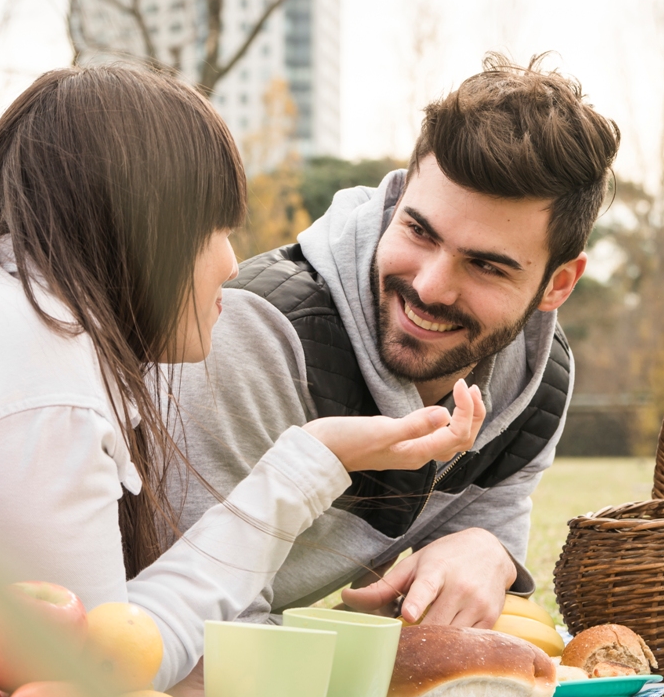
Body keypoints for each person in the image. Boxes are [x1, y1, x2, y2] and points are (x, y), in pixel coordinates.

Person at [0, 63, 485, 689]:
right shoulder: (40, 391)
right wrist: (302, 470)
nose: (230, 265)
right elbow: (96, 677)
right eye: (212, 232)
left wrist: (312, 458)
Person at [166, 54, 620, 644]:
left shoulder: (538, 379)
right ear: (398, 197)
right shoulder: (259, 335)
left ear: (557, 284)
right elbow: (191, 620)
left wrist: (488, 550)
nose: (429, 287)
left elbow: (485, 545)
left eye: (485, 265)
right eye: (419, 231)